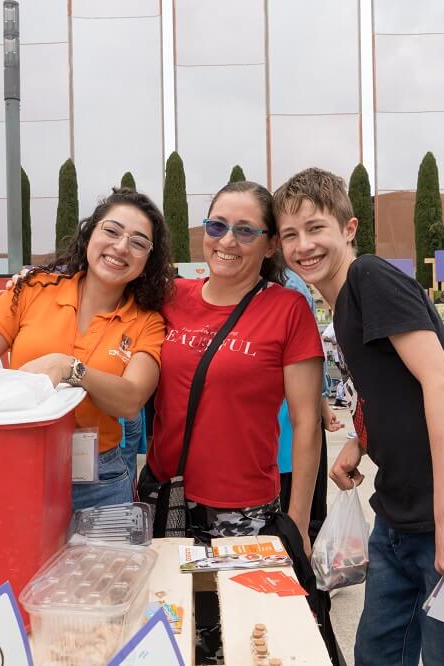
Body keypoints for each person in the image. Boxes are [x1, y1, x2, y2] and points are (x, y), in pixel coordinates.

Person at [273, 167, 444, 666]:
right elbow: (389, 385)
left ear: (348, 228)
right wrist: (359, 441)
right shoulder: (344, 303)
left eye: (316, 227)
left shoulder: (369, 277)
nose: (303, 245)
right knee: (379, 654)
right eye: (290, 235)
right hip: (398, 514)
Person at [0, 188, 173, 511]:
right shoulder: (33, 290)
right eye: (111, 231)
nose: (121, 247)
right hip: (18, 466)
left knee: (106, 564)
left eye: (138, 242)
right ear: (90, 234)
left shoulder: (147, 321)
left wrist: (69, 367)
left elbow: (130, 399)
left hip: (102, 481)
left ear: (147, 260)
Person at [139, 180, 324, 550]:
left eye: (245, 231)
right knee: (169, 607)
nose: (226, 241)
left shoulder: (288, 309)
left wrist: (299, 522)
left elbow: (307, 422)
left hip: (243, 510)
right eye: (217, 226)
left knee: (236, 609)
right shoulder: (171, 296)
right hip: (164, 493)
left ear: (270, 244)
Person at [278, 268, 342, 542]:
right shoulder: (288, 283)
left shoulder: (288, 287)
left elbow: (309, 357)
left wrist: (323, 406)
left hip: (288, 422)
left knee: (295, 520)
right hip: (284, 422)